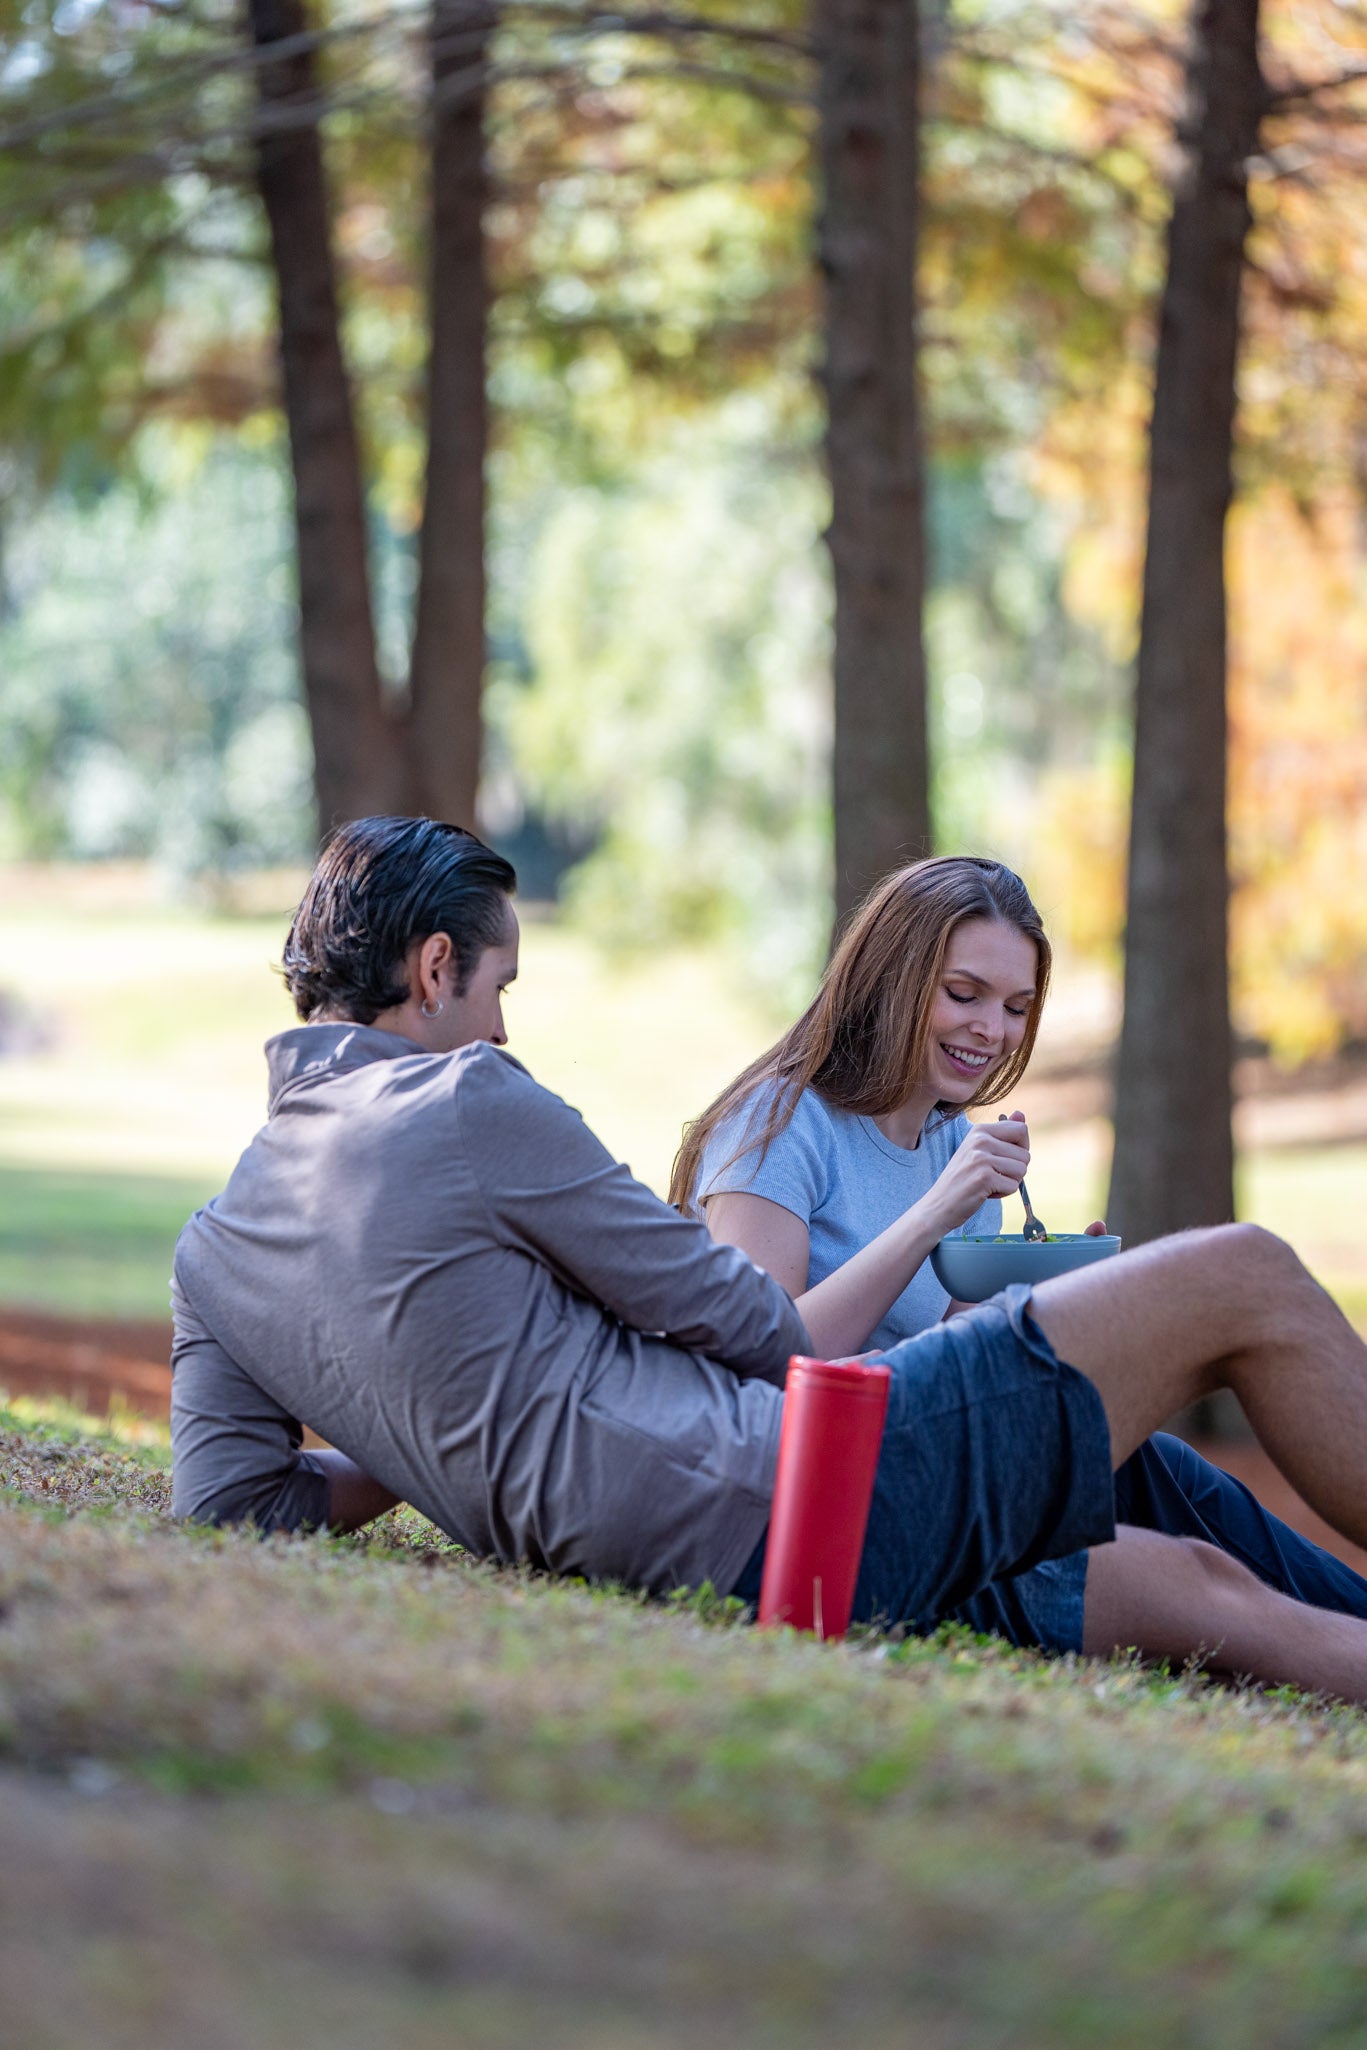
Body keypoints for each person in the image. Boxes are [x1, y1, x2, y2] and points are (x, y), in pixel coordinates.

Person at [172, 818, 1367, 1703]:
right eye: (498, 987)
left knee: (1181, 1535)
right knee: (1241, 1271)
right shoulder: (466, 1100)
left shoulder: (215, 1251)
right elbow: (762, 1328)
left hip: (719, 1548)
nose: (499, 1026)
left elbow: (235, 1504)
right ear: (435, 967)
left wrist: (415, 1423)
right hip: (791, 1490)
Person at [675, 854, 1367, 1679]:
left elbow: (933, 1355)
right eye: (962, 994)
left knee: (1164, 1469)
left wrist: (1049, 1295)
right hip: (818, 1483)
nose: (991, 1029)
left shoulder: (948, 1144)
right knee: (1197, 1568)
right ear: (889, 979)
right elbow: (760, 1363)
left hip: (919, 1445)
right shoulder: (781, 1122)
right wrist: (935, 1214)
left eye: (1014, 1007)